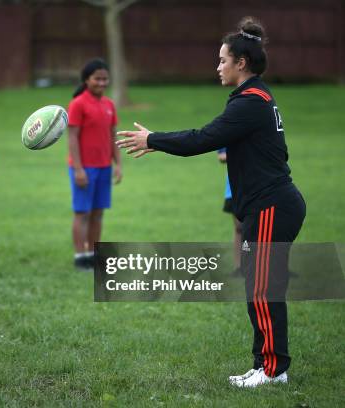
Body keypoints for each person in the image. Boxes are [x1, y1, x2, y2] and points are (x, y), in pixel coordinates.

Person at [116, 17, 305, 388]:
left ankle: (273, 369)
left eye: (222, 60)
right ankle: (263, 364)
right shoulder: (253, 97)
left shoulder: (251, 102)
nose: (217, 66)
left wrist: (154, 139)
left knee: (263, 290)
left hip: (272, 206)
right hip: (266, 205)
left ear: (241, 64)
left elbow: (201, 138)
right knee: (258, 289)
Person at [67, 59, 122, 271]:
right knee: (82, 213)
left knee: (98, 213)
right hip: (84, 168)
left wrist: (118, 164)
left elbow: (112, 135)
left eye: (105, 78)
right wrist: (78, 169)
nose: (101, 82)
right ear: (86, 80)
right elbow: (72, 137)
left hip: (104, 167)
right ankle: (80, 255)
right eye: (97, 78)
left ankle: (92, 253)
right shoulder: (78, 104)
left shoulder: (109, 104)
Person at [217, 149, 243, 275]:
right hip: (234, 189)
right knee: (240, 228)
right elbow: (221, 156)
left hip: (259, 187)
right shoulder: (229, 129)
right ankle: (239, 267)